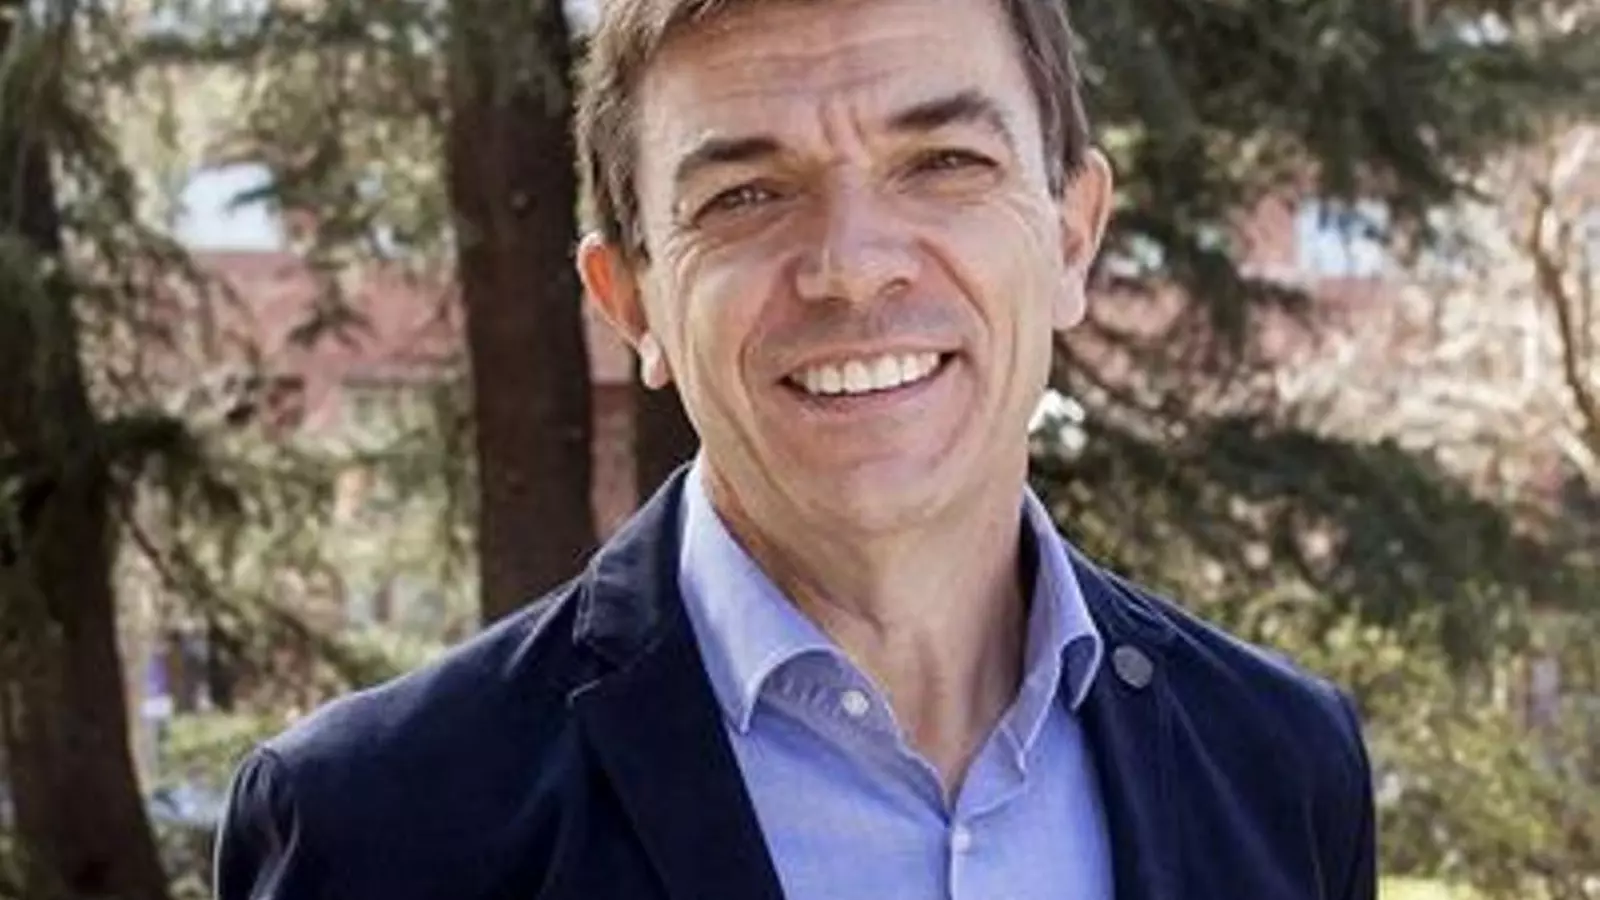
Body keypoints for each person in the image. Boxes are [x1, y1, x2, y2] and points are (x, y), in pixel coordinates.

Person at [214, 0, 1378, 896]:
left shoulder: (1281, 765)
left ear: (1071, 238)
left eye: (943, 163)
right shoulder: (376, 829)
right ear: (631, 302)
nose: (852, 267)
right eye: (745, 195)